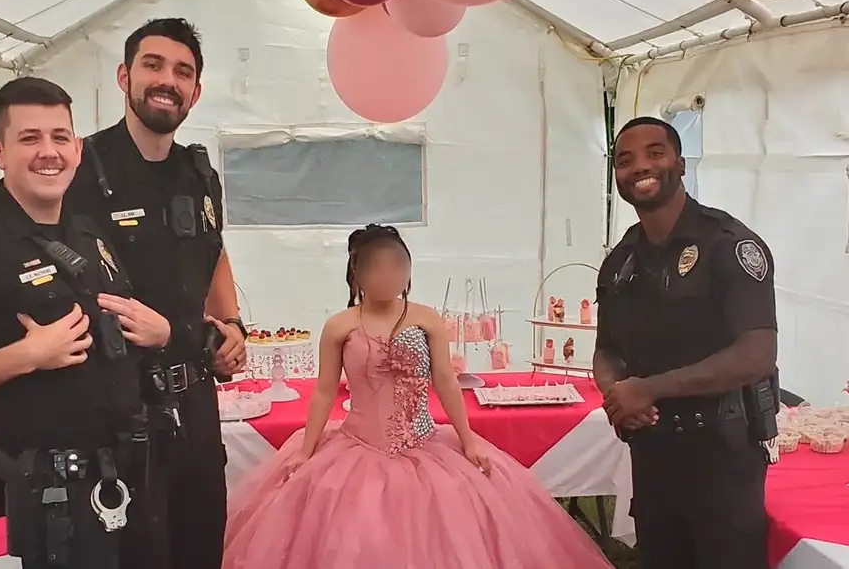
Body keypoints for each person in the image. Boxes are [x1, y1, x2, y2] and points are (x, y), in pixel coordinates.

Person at [0, 77, 174, 568]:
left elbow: (114, 337)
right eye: (30, 139)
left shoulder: (88, 233)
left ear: (77, 147)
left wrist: (160, 334)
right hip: (56, 503)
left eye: (59, 137)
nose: (49, 152)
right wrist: (25, 356)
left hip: (131, 478)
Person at [221, 224, 613, 569]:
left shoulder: (426, 318)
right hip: (357, 445)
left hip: (425, 443)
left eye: (397, 265)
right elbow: (324, 391)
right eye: (375, 266)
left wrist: (468, 439)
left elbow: (445, 381)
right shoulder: (339, 325)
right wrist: (305, 451)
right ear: (355, 274)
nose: (388, 275)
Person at [65, 18, 246, 569]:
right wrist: (177, 335)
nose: (167, 80)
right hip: (119, 415)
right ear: (124, 76)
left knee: (199, 553)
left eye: (182, 72)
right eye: (153, 65)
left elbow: (214, 252)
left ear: (196, 91)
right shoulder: (79, 168)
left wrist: (233, 325)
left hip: (194, 409)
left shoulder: (198, 172)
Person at [595, 116, 778, 569]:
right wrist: (616, 393)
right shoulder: (620, 262)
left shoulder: (727, 244)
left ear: (679, 161)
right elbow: (606, 351)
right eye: (625, 160)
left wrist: (648, 389)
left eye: (655, 153)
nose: (640, 167)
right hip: (653, 453)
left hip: (722, 455)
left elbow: (757, 354)